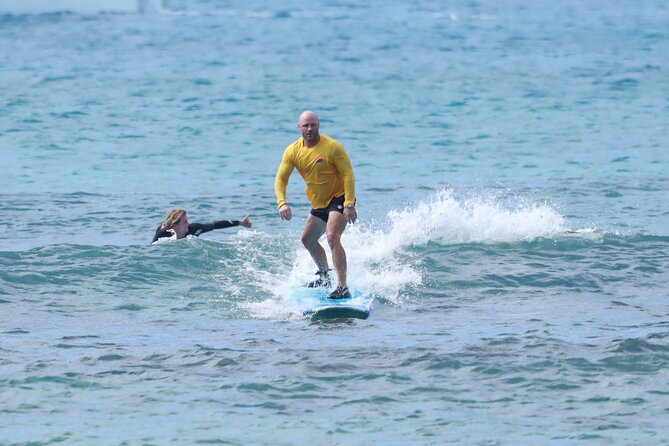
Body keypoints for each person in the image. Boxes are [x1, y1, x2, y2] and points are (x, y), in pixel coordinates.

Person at [275, 110, 357, 299]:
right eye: (306, 125)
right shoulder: (293, 151)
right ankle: (324, 276)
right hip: (320, 202)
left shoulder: (332, 147)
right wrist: (282, 203)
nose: (309, 129)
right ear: (299, 128)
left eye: (313, 125)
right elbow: (281, 179)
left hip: (340, 198)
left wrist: (349, 203)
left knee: (332, 236)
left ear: (319, 125)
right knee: (307, 240)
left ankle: (342, 286)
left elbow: (348, 175)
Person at [151, 208, 252, 244]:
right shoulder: (163, 233)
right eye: (185, 222)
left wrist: (240, 222)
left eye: (187, 220)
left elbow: (214, 225)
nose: (188, 224)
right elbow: (153, 250)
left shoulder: (194, 228)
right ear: (175, 225)